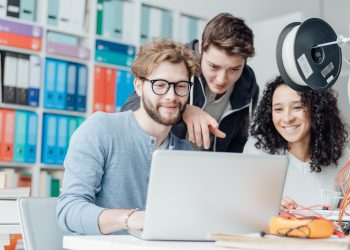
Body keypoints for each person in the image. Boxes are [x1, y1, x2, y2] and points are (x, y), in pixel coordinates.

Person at [56, 39, 200, 235]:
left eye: (181, 86)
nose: (171, 96)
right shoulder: (101, 129)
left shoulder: (184, 151)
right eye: (160, 85)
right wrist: (129, 219)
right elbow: (69, 211)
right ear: (139, 86)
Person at [122, 13, 259, 152]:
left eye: (234, 69)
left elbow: (238, 140)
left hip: (206, 168)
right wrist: (183, 110)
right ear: (201, 48)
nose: (221, 79)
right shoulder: (178, 62)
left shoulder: (248, 84)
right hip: (164, 160)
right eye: (214, 67)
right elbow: (129, 112)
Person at [243, 75, 349, 207]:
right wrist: (268, 208)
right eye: (278, 109)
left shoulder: (342, 157)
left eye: (297, 107)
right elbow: (242, 209)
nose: (287, 118)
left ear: (316, 109)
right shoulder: (257, 151)